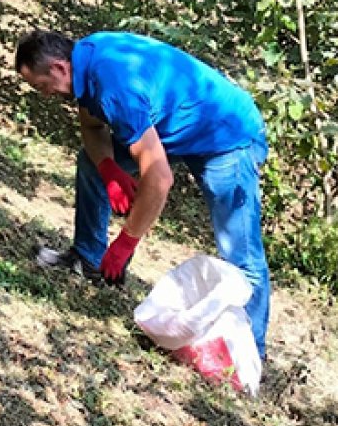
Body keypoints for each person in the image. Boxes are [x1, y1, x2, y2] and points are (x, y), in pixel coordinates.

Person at [15, 30, 271, 358]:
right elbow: (92, 128)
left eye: (41, 86)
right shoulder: (85, 63)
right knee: (91, 162)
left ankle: (248, 354)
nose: (45, 94)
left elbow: (159, 178)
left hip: (227, 137)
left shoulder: (113, 84)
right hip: (175, 129)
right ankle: (88, 258)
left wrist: (125, 243)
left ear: (59, 68)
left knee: (241, 253)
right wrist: (109, 171)